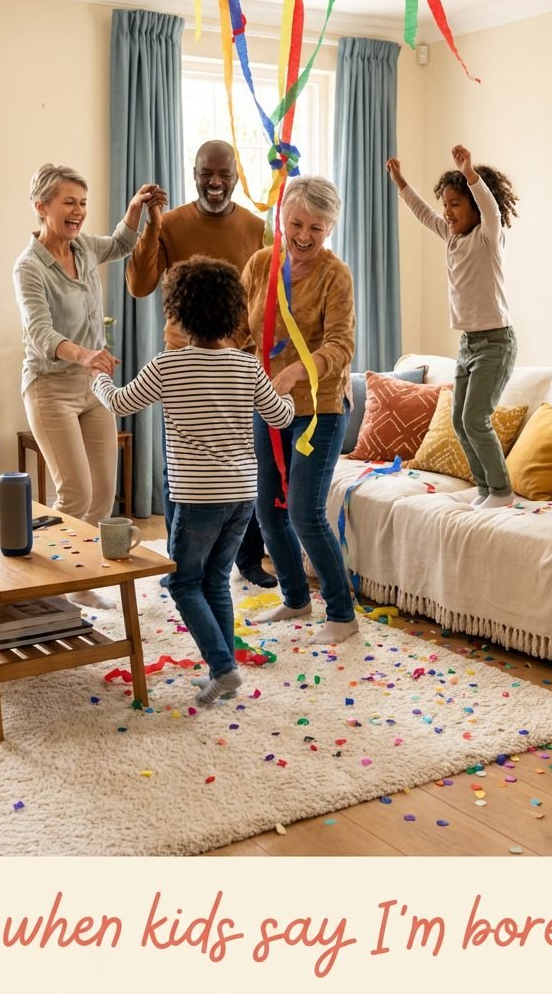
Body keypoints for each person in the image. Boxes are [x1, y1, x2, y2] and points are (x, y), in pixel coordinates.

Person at [92, 256, 294, 706]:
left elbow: (121, 404)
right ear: (232, 312)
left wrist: (99, 381)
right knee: (216, 579)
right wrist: (284, 393)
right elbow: (280, 416)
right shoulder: (246, 367)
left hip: (197, 498)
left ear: (179, 313)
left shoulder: (169, 365)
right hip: (243, 496)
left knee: (185, 583)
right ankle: (224, 668)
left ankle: (222, 669)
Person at [126, 138, 277, 587]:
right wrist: (153, 226)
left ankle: (248, 560)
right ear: (193, 173)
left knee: (241, 464)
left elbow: (268, 297)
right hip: (182, 362)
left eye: (223, 174)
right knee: (182, 468)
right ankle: (178, 562)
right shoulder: (169, 223)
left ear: (235, 175)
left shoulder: (256, 227)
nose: (214, 182)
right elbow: (139, 284)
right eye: (205, 173)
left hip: (237, 364)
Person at [13, 164, 166, 606]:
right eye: (69, 203)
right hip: (50, 389)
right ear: (41, 207)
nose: (78, 211)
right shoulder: (29, 267)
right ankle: (48, 587)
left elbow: (120, 242)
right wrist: (84, 355)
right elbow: (40, 334)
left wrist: (136, 208)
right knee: (75, 492)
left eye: (83, 203)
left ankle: (80, 582)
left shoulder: (82, 249)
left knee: (102, 493)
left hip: (92, 388)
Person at [242, 174, 359, 644]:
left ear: (330, 227)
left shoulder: (336, 275)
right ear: (281, 219)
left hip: (321, 407)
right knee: (267, 509)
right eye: (297, 224)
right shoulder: (260, 265)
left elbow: (341, 345)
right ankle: (295, 598)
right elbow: (240, 331)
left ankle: (342, 614)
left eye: (318, 227)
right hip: (268, 404)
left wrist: (293, 373)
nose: (305, 236)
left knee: (304, 511)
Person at [387, 144, 519, 510]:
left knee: (476, 418)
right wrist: (401, 183)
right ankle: (485, 490)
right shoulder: (451, 237)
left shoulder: (488, 237)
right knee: (461, 422)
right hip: (468, 345)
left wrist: (470, 173)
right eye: (445, 204)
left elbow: (491, 208)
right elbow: (422, 213)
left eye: (455, 204)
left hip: (496, 343)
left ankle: (502, 490)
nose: (447, 212)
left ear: (475, 207)